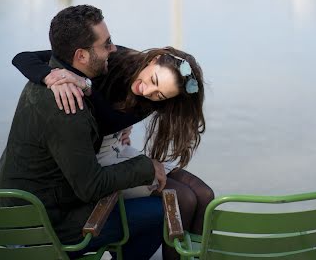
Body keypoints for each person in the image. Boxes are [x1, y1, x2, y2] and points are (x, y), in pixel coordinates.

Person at [0, 5, 165, 260]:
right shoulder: (67, 103)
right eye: (106, 44)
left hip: (12, 207)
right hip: (39, 225)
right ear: (81, 56)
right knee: (158, 213)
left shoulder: (49, 77)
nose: (113, 50)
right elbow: (91, 187)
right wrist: (147, 167)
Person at [13, 36, 214, 257]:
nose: (148, 91)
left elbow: (110, 121)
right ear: (153, 59)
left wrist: (87, 86)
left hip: (115, 148)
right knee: (182, 198)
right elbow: (23, 58)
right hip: (93, 157)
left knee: (204, 194)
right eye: (153, 80)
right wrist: (51, 76)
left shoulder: (151, 99)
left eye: (160, 94)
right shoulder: (114, 56)